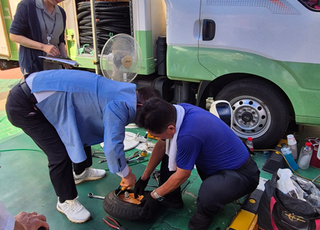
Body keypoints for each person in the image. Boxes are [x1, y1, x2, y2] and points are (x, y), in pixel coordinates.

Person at [5, 69, 161, 224]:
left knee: (79, 129)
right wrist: (126, 174)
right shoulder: (119, 105)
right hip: (26, 105)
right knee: (59, 153)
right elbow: (112, 147)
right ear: (140, 104)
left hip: (44, 92)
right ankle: (65, 201)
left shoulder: (127, 92)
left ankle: (80, 172)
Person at [134, 97, 260, 230]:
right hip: (216, 166)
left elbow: (183, 174)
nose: (159, 139)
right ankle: (171, 198)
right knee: (170, 149)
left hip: (243, 175)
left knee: (209, 191)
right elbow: (162, 145)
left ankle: (205, 213)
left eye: (159, 135)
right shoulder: (177, 112)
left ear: (171, 128)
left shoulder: (188, 135)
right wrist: (144, 178)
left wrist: (154, 195)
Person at [9, 0, 68, 75]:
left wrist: (65, 58)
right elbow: (14, 36)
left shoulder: (61, 12)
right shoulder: (27, 6)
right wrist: (43, 47)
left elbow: (60, 40)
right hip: (34, 67)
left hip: (56, 69)